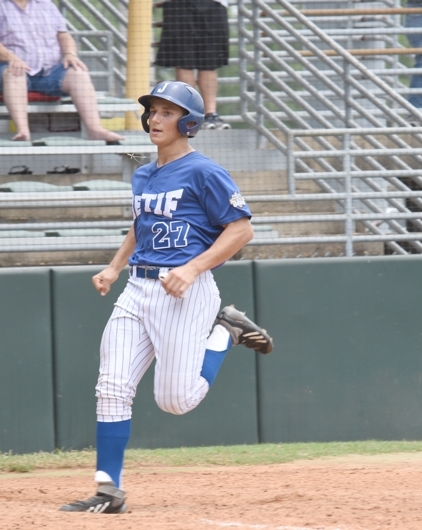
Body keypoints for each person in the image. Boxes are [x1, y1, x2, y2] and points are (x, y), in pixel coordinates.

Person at [59, 81, 273, 514]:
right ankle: (108, 490)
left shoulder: (204, 171)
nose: (155, 119)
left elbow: (242, 229)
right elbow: (142, 224)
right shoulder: (144, 172)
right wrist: (114, 267)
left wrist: (194, 268)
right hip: (137, 288)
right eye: (153, 110)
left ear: (189, 123)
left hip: (185, 293)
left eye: (167, 113)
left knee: (175, 401)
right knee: (111, 386)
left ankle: (224, 332)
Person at [0, 0, 124, 143]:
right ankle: (23, 131)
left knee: (79, 73)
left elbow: (64, 35)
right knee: (15, 71)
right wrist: (12, 58)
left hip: (47, 72)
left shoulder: (46, 4)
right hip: (0, 70)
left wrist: (70, 54)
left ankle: (95, 130)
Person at [155, 0, 231, 130]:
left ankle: (211, 114)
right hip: (179, 4)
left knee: (209, 62)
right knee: (184, 61)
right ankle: (189, 112)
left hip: (214, 4)